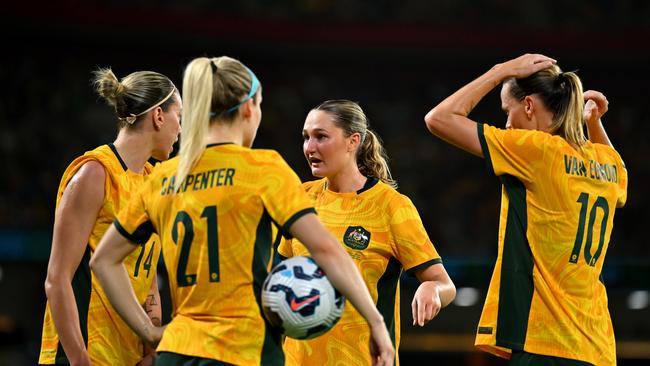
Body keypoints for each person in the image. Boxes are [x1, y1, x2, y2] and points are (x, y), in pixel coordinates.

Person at [89, 56, 395, 366]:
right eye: (260, 104)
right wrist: (376, 322)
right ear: (249, 108)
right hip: (243, 351)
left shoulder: (164, 177)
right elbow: (326, 249)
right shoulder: (263, 170)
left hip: (176, 352)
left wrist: (150, 332)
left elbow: (102, 260)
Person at [424, 54, 627, 365]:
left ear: (529, 106)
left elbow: (438, 119)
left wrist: (499, 71)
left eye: (508, 110)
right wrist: (594, 124)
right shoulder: (605, 162)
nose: (507, 122)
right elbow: (620, 174)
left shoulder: (536, 149)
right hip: (596, 345)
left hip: (545, 341)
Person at [278, 100, 456, 366]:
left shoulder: (391, 206)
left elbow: (446, 286)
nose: (309, 148)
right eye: (306, 137)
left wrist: (432, 288)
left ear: (353, 141)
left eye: (321, 137)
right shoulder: (300, 197)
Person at [39, 68, 182, 366]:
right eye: (178, 116)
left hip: (127, 355)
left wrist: (149, 343)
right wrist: (79, 358)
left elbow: (147, 274)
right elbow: (57, 278)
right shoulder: (95, 173)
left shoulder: (155, 181)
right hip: (86, 353)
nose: (180, 128)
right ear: (158, 116)